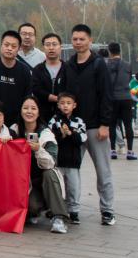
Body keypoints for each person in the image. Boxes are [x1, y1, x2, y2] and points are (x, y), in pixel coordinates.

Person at [60, 24, 115, 226]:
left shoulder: (99, 65)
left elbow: (107, 95)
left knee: (103, 170)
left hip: (95, 126)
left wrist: (105, 124)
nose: (78, 42)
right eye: (75, 39)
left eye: (82, 39)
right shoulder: (68, 65)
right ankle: (72, 209)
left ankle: (107, 210)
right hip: (74, 127)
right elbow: (64, 96)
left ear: (90, 41)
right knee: (71, 170)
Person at [10, 96, 68, 233]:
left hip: (43, 180)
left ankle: (58, 217)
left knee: (50, 173)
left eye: (33, 108)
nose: (29, 111)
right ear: (20, 110)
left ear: (38, 112)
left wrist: (38, 149)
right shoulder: (14, 130)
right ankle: (32, 212)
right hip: (24, 183)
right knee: (32, 207)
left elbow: (51, 163)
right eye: (25, 108)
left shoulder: (46, 134)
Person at [47, 91, 86, 224]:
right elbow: (50, 137)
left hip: (73, 162)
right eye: (62, 103)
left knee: (73, 187)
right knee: (58, 187)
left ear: (74, 105)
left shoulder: (79, 121)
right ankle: (58, 210)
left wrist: (70, 133)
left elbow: (81, 139)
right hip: (58, 161)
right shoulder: (54, 120)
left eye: (68, 103)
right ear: (58, 105)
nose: (65, 106)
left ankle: (74, 211)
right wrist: (61, 134)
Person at [0, 30, 33, 126]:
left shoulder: (24, 71)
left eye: (13, 46)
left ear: (18, 49)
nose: (9, 49)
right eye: (6, 45)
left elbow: (27, 98)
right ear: (1, 46)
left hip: (16, 124)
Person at [106, 42, 135, 159]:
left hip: (112, 99)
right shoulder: (127, 65)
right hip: (126, 97)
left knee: (112, 125)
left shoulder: (106, 65)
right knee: (128, 125)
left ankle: (113, 150)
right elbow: (128, 79)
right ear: (120, 51)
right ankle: (130, 152)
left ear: (110, 52)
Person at [31, 33, 66, 120]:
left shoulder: (68, 69)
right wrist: (53, 98)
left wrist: (62, 99)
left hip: (64, 114)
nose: (51, 48)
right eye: (47, 45)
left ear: (60, 47)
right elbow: (35, 89)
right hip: (42, 115)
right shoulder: (38, 70)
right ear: (43, 48)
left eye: (54, 44)